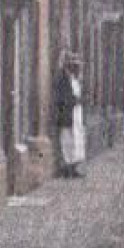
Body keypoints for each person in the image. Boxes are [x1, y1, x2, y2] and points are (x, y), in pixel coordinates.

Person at [53, 52, 87, 180]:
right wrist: (74, 100)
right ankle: (67, 167)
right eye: (73, 65)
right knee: (67, 140)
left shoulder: (74, 78)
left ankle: (74, 166)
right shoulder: (62, 79)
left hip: (76, 114)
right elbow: (62, 97)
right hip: (67, 114)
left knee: (76, 140)